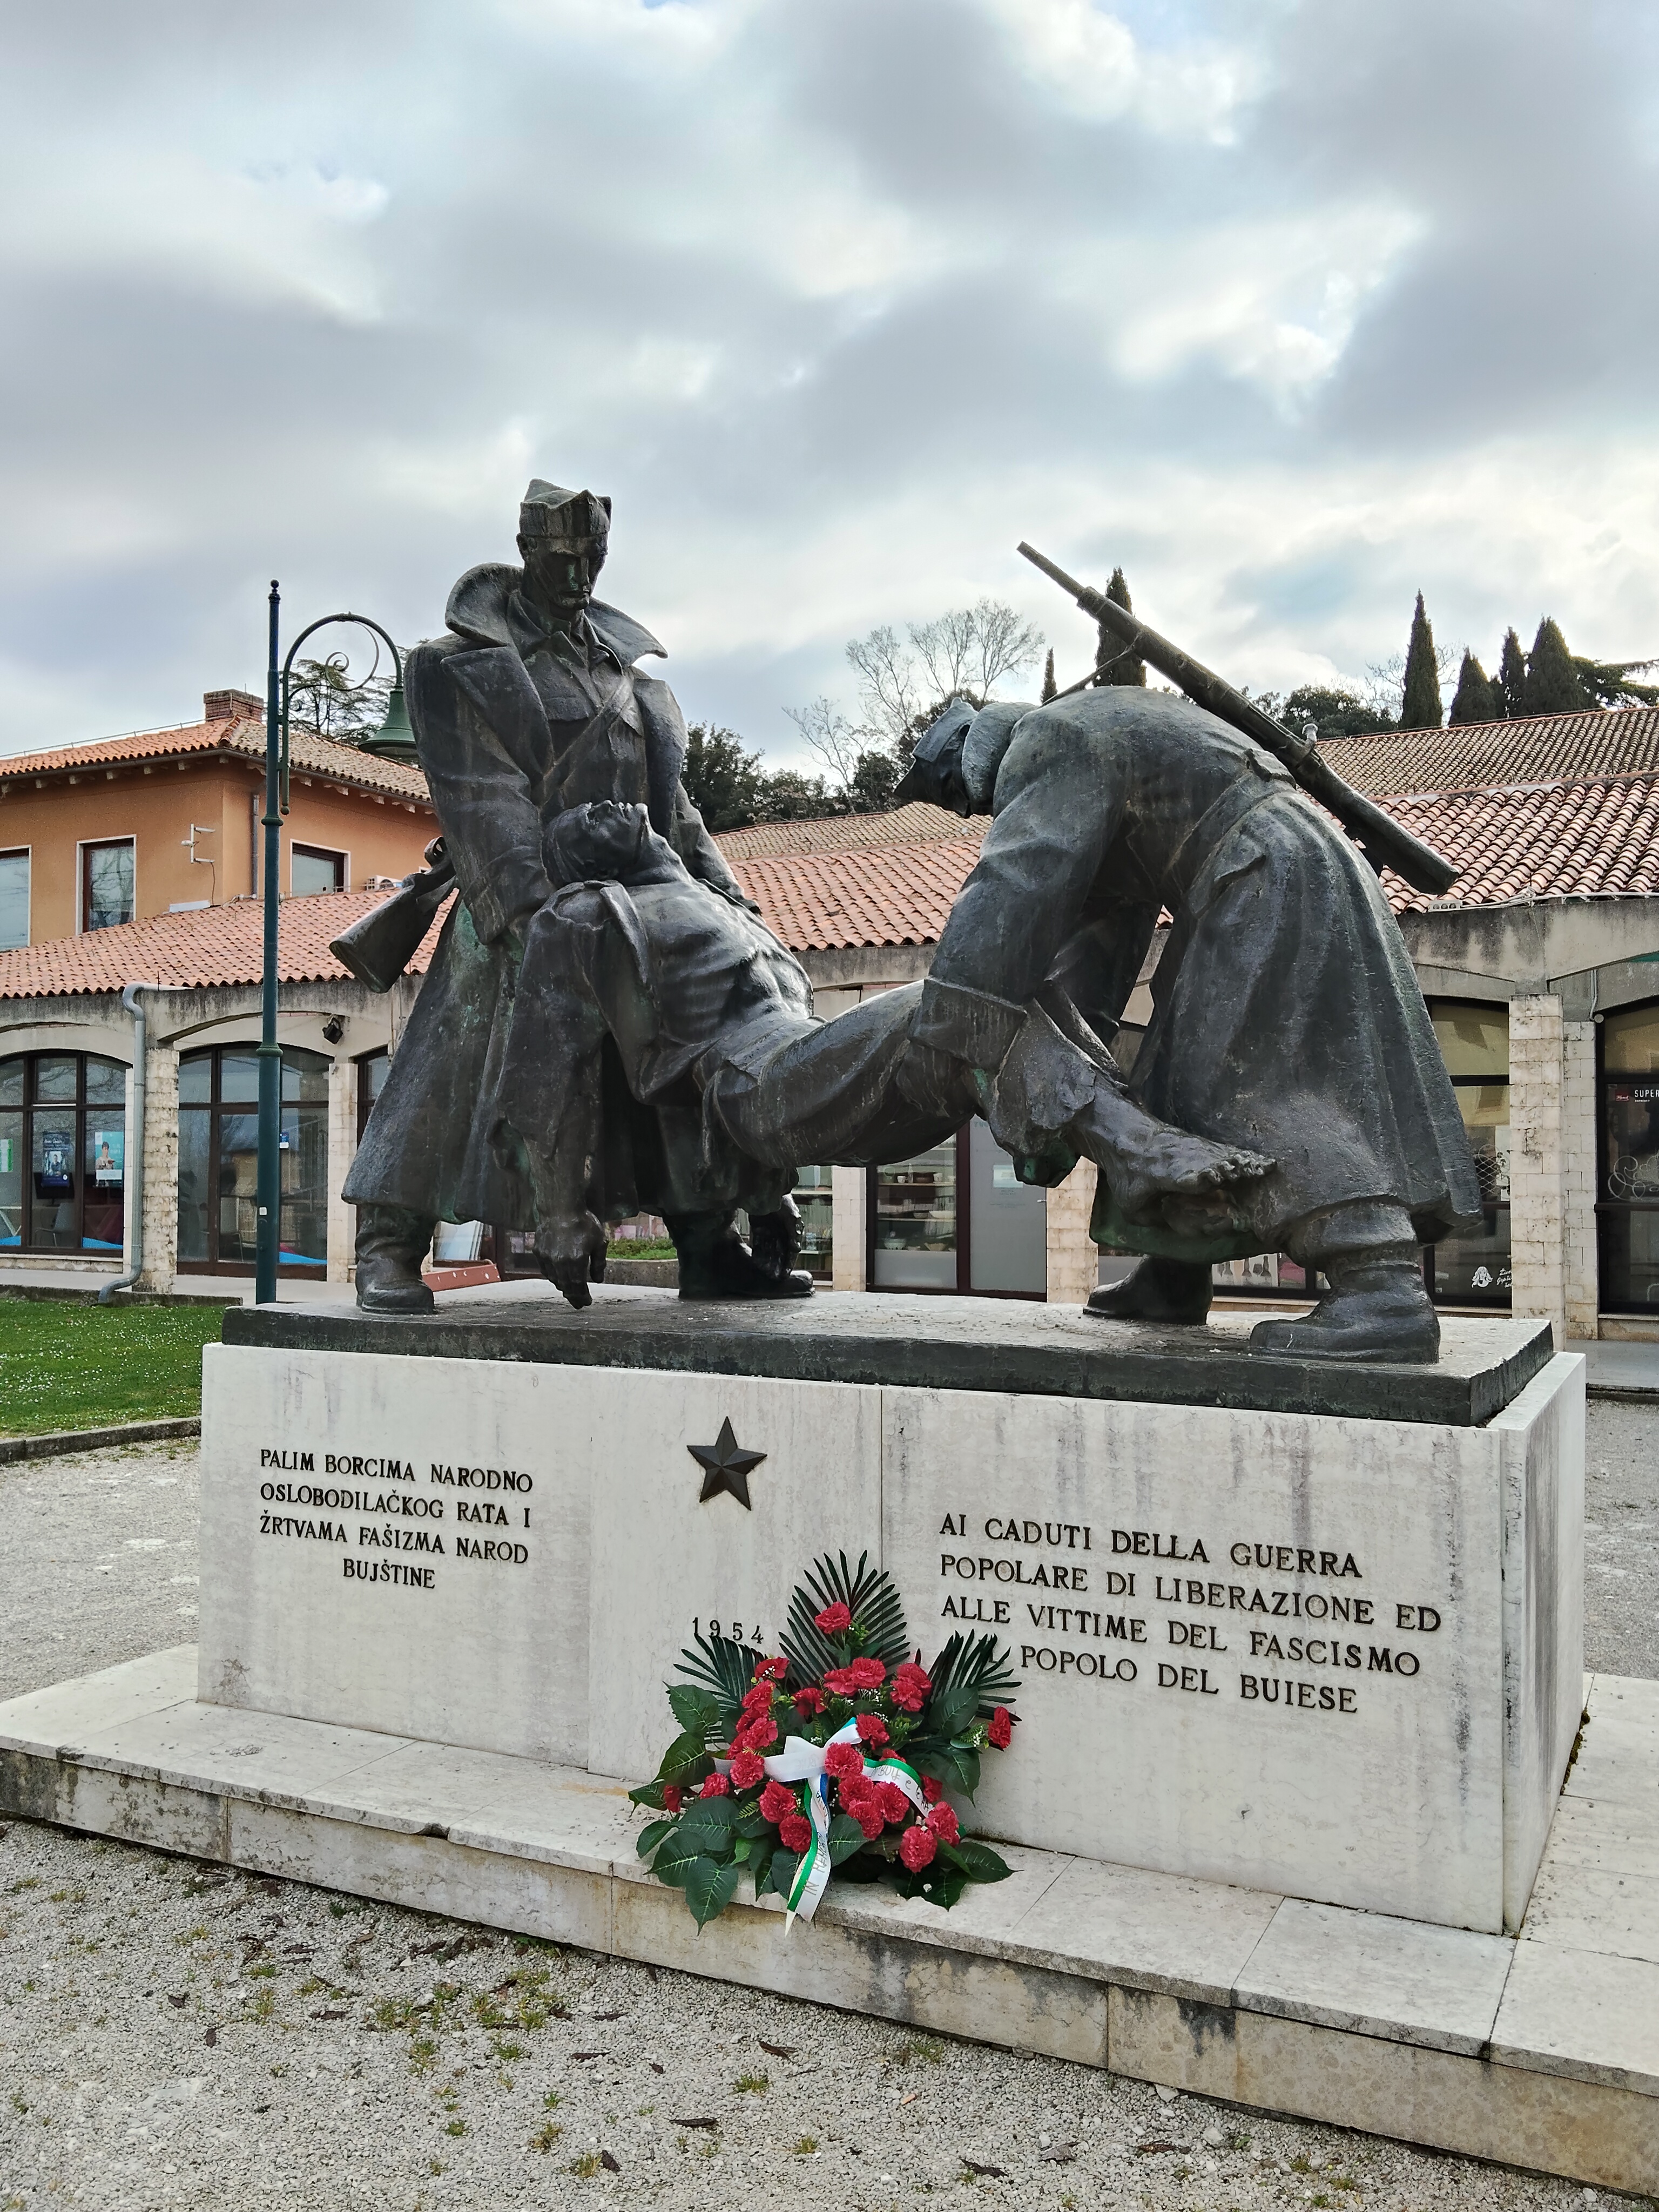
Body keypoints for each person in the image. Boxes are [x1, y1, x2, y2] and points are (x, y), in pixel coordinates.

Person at [892, 688, 1482, 1362]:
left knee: (1246, 1088)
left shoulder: (1048, 740)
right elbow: (1103, 934)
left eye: (962, 794)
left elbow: (1014, 885)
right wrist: (1071, 1052)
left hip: (1263, 873)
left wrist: (951, 1022)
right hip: (1267, 868)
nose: (977, 811)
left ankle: (1381, 1285)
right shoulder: (1094, 734)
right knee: (1169, 1081)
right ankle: (1176, 1270)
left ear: (973, 752)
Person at [490, 800, 1274, 1306]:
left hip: (795, 1065)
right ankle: (1139, 1155)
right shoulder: (589, 915)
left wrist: (764, 1195)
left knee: (1023, 993)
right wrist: (560, 1212)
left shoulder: (718, 901)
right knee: (959, 1001)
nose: (603, 805)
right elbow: (547, 1072)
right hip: (758, 1084)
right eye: (580, 824)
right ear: (585, 866)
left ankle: (1163, 1216)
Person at [343, 481, 812, 1310]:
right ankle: (389, 1243)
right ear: (525, 551)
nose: (578, 575)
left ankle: (708, 1243)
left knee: (671, 1068)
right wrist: (533, 916)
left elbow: (675, 811)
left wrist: (728, 904)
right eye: (561, 558)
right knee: (453, 1069)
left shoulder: (633, 683)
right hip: (521, 898)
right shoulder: (453, 666)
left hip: (640, 907)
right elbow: (483, 795)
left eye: (592, 557)